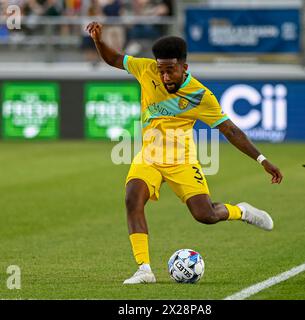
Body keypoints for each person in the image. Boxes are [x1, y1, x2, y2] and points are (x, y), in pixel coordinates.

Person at [86, 22, 283, 284]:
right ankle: (144, 269)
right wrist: (98, 40)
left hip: (182, 160)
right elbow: (113, 59)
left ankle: (241, 211)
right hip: (149, 156)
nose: (165, 76)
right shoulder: (146, 69)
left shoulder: (200, 95)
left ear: (184, 68)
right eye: (161, 70)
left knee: (206, 215)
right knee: (132, 199)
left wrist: (262, 159)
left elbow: (231, 131)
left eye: (171, 71)